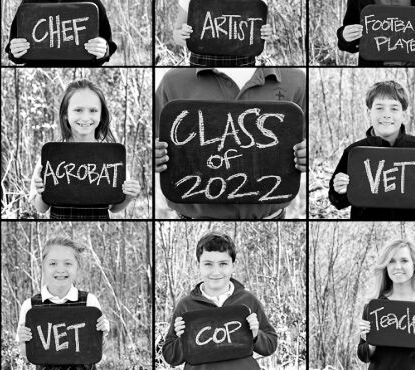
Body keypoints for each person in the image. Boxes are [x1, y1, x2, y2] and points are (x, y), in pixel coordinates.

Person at [155, 66, 307, 220]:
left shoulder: (295, 81)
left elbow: (309, 143)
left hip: (272, 217)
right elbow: (154, 144)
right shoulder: (173, 81)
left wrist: (307, 156)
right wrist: (155, 157)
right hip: (190, 217)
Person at [329, 80, 415, 219]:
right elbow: (336, 200)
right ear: (369, 112)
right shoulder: (354, 152)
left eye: (394, 108)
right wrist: (339, 190)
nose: (386, 114)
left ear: (403, 115)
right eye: (379, 108)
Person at [162, 231, 277, 370]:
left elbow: (270, 345)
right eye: (208, 264)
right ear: (198, 265)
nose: (216, 272)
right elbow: (170, 355)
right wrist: (183, 340)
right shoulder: (186, 305)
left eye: (223, 263)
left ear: (233, 265)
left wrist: (255, 335)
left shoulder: (248, 300)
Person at [29, 78, 140, 219]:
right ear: (65, 115)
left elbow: (114, 207)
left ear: (101, 115)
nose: (86, 117)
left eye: (93, 110)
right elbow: (41, 208)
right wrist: (41, 192)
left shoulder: (111, 156)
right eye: (78, 110)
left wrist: (129, 196)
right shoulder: (52, 154)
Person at [16, 235, 110, 369]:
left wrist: (101, 332)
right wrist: (24, 341)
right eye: (53, 263)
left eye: (68, 263)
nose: (60, 270)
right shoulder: (30, 306)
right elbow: (26, 353)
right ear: (43, 266)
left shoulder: (89, 301)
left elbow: (98, 350)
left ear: (77, 266)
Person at [358, 239, 415, 369]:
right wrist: (370, 341)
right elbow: (363, 355)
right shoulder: (375, 305)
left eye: (404, 260)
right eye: (391, 261)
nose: (397, 267)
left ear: (414, 264)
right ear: (386, 266)